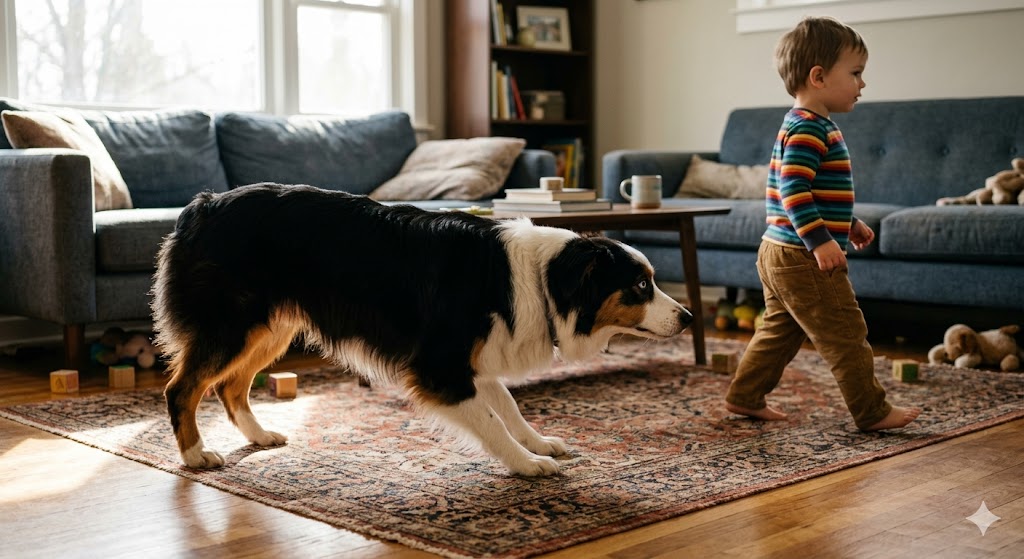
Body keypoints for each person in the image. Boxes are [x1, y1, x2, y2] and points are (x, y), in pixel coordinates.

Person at [724, 16, 920, 431]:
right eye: (855, 73)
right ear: (818, 76)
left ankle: (745, 396)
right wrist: (819, 241)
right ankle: (872, 411)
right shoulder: (810, 129)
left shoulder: (804, 124)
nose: (862, 84)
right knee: (846, 333)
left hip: (777, 250)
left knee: (780, 331)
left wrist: (847, 223)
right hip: (800, 255)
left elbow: (811, 191)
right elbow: (793, 190)